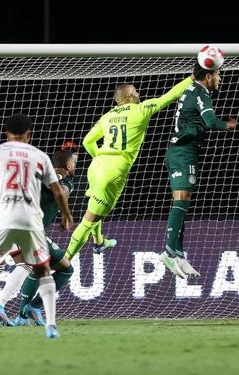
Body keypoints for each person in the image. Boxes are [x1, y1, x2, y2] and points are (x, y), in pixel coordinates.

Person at [0, 114, 72, 339]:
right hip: (14, 214)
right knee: (28, 265)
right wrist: (66, 214)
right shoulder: (36, 155)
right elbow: (57, 190)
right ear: (29, 133)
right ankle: (0, 305)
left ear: (6, 133)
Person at [65, 74, 196, 260]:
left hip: (96, 167)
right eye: (135, 91)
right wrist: (193, 77)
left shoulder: (107, 116)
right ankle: (64, 262)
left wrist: (101, 158)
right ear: (128, 97)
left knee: (95, 206)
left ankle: (100, 242)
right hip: (113, 171)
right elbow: (171, 95)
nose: (138, 93)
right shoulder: (140, 110)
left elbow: (87, 141)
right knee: (90, 218)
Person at [161, 63, 236, 278]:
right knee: (181, 200)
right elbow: (212, 122)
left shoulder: (191, 89)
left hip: (183, 151)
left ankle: (178, 254)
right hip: (182, 152)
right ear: (209, 76)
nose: (220, 79)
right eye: (218, 74)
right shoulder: (201, 92)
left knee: (183, 202)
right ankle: (167, 251)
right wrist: (228, 125)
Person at [11, 149, 76, 326]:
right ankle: (30, 308)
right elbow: (61, 192)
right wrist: (66, 215)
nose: (74, 165)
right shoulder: (65, 180)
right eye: (74, 162)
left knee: (41, 269)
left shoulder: (41, 173)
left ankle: (24, 315)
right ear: (68, 165)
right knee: (66, 270)